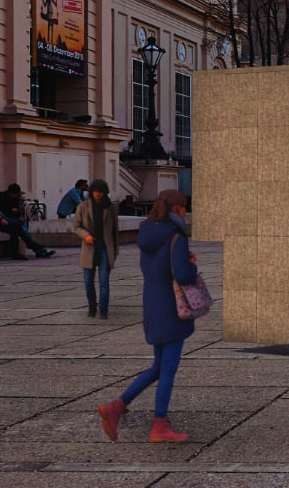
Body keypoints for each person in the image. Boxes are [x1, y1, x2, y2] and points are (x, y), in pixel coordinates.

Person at [98, 189, 197, 443]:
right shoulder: (175, 236)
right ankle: (159, 426)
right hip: (172, 310)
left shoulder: (148, 233)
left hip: (153, 306)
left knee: (157, 366)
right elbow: (183, 275)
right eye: (184, 207)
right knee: (167, 370)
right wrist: (192, 264)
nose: (185, 212)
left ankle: (117, 407)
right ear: (177, 209)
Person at [0, 176, 54, 260]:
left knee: (14, 231)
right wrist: (1, 219)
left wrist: (2, 217)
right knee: (18, 224)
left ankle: (16, 254)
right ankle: (37, 249)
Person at [74, 179, 119, 319]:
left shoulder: (110, 207)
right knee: (88, 281)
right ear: (91, 192)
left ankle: (104, 309)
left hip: (105, 249)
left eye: (100, 192)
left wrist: (115, 250)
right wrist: (86, 235)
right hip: (89, 249)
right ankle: (92, 307)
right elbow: (76, 226)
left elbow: (114, 230)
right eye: (95, 192)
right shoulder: (82, 207)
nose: (98, 194)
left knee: (104, 281)